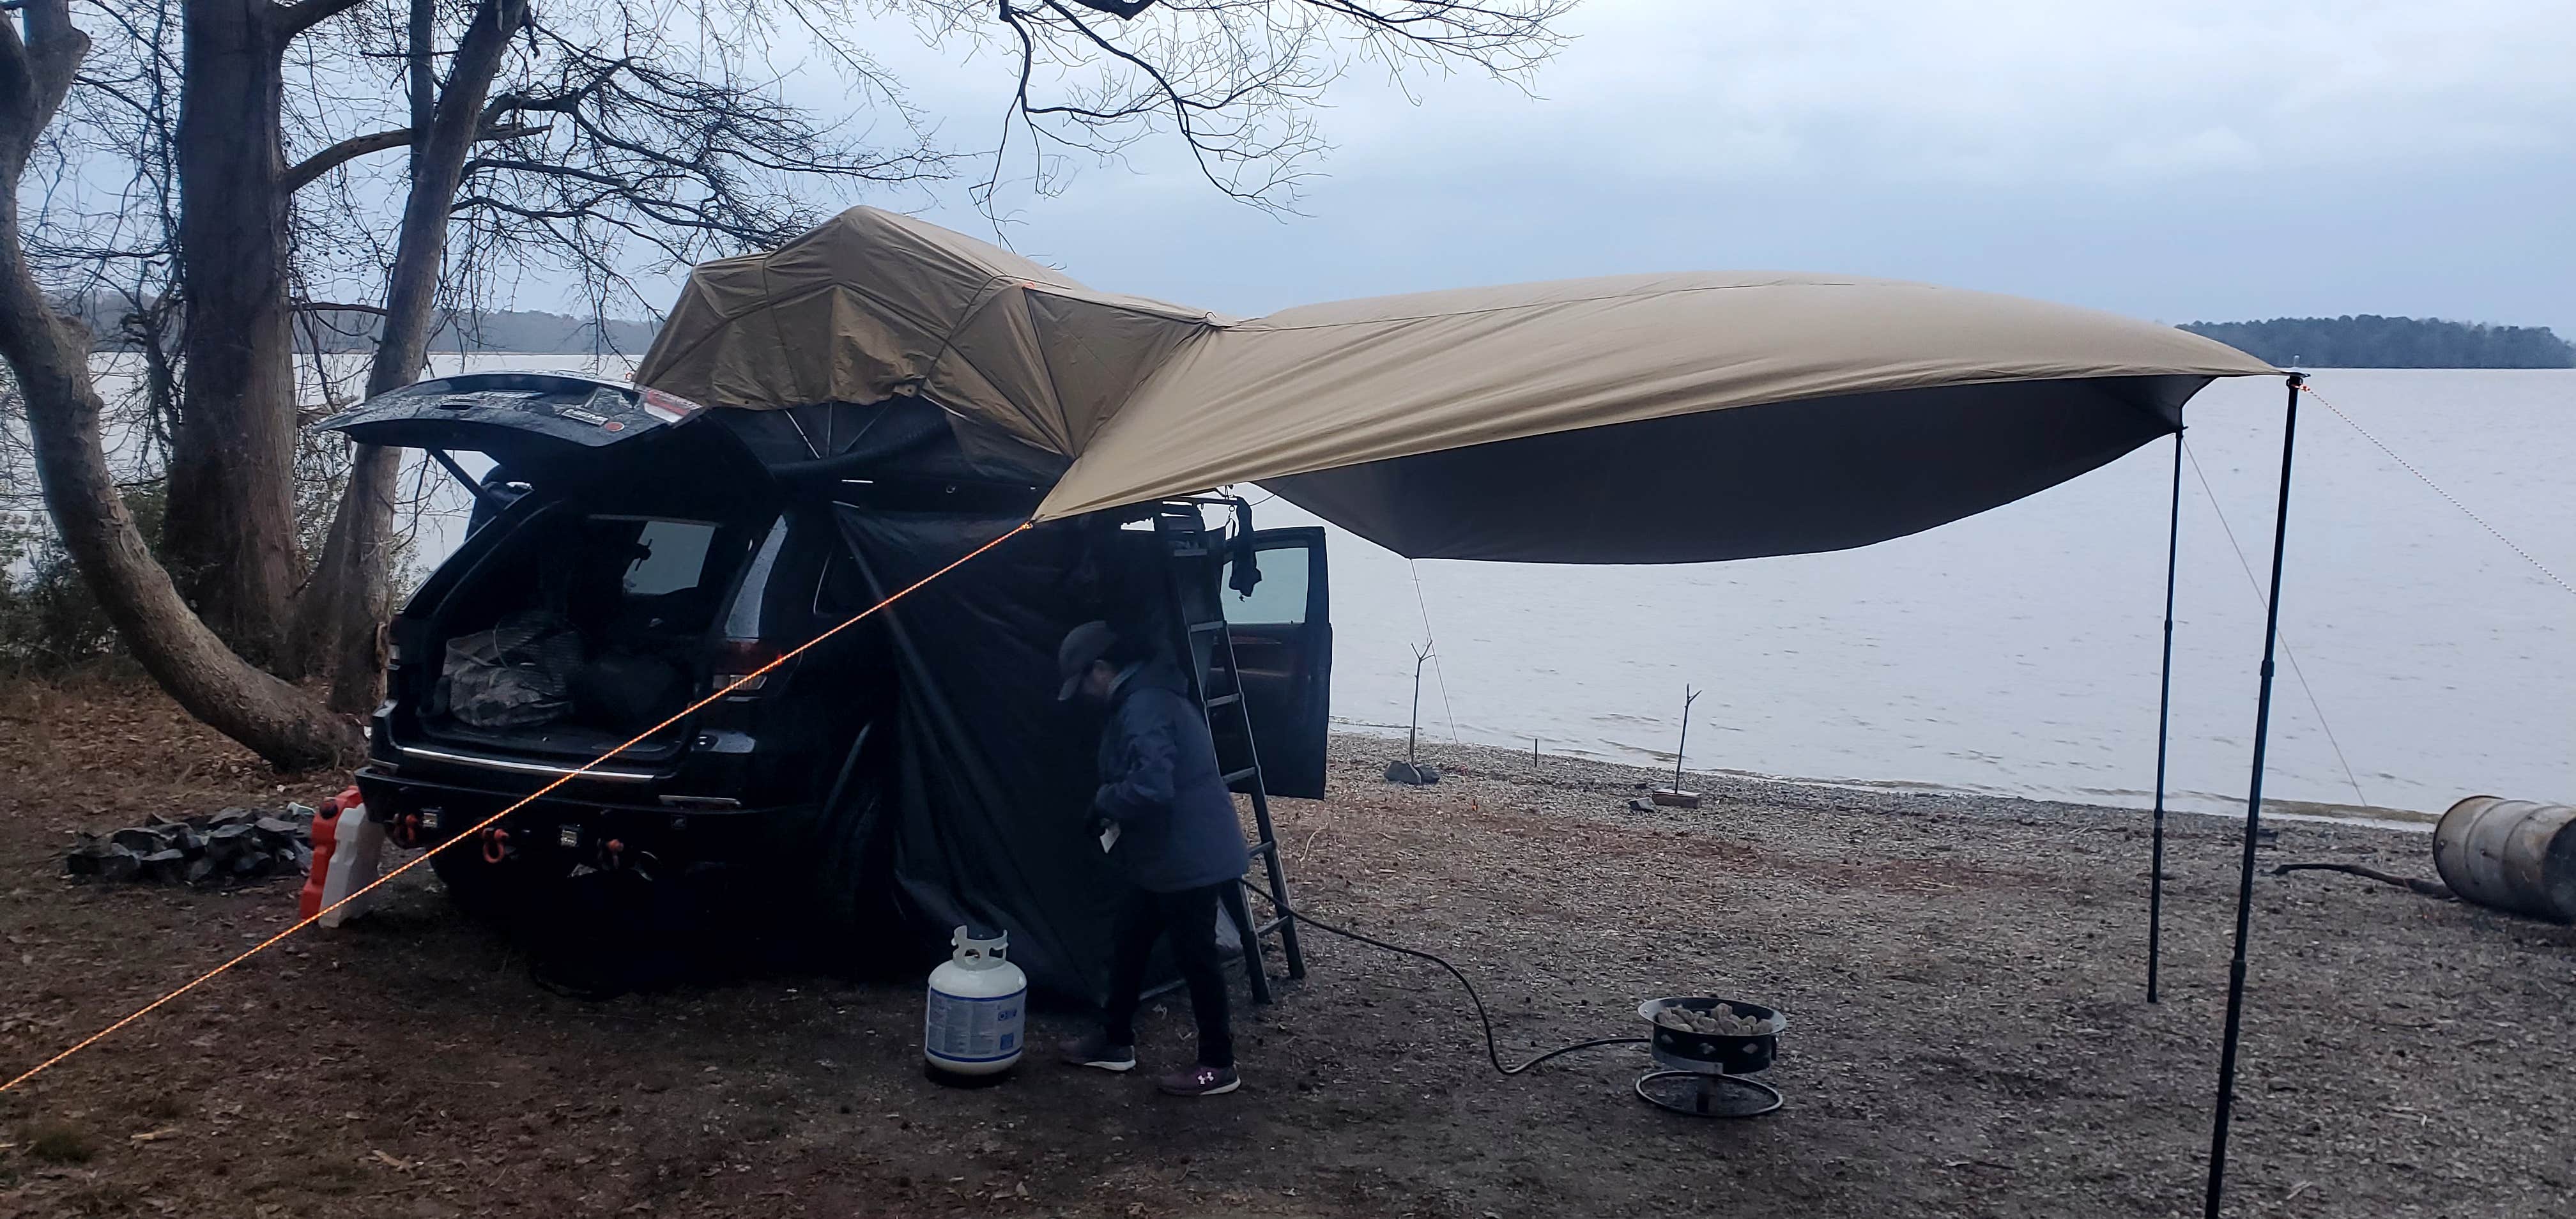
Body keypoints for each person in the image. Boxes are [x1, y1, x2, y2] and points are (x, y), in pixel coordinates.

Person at [1053, 620, 1249, 1097]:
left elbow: (1153, 787)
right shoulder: (1145, 697)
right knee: (1129, 941)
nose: (1083, 695)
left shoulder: (1143, 705)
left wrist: (1104, 802)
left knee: (1196, 958)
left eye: (1083, 684)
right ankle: (1115, 1042)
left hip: (1190, 856)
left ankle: (1218, 1065)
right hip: (1168, 856)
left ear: (1102, 668)